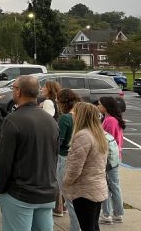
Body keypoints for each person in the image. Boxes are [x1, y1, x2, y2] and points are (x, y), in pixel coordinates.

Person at [0, 75, 59, 231]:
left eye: (14, 88)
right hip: (46, 190)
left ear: (18, 92)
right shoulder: (51, 120)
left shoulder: (13, 120)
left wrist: (0, 188)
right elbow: (54, 156)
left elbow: (4, 161)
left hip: (20, 194)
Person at [62, 102, 109, 231]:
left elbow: (75, 168)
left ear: (81, 116)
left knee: (87, 226)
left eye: (74, 113)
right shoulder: (98, 134)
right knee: (93, 225)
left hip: (84, 190)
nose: (72, 115)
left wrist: (65, 183)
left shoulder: (83, 136)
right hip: (97, 186)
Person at [56, 89, 81, 231]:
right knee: (76, 198)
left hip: (65, 157)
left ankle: (75, 228)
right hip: (79, 158)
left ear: (63, 101)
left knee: (69, 197)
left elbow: (59, 141)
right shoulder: (81, 115)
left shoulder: (65, 118)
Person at [98, 96, 125, 225]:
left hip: (109, 158)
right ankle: (117, 213)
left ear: (106, 106)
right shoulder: (113, 119)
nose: (98, 106)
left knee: (108, 186)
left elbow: (107, 140)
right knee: (114, 186)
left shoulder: (110, 121)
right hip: (115, 156)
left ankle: (108, 214)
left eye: (99, 104)